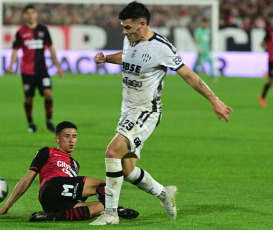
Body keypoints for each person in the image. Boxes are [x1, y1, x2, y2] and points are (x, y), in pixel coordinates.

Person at [90, 1, 233, 225]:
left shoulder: (161, 47)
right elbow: (128, 56)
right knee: (126, 170)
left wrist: (214, 100)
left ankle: (110, 213)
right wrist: (107, 58)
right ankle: (164, 194)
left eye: (128, 28)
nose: (124, 31)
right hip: (127, 110)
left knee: (112, 153)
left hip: (146, 111)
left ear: (143, 24)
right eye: (123, 27)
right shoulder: (131, 39)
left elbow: (188, 75)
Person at [0, 121, 139, 222]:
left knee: (98, 207)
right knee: (101, 184)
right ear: (57, 139)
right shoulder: (47, 151)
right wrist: (5, 207)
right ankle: (116, 209)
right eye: (66, 136)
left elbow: (74, 191)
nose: (71, 140)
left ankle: (50, 217)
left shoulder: (75, 164)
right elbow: (28, 178)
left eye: (74, 136)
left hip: (54, 204)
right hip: (50, 187)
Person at [7, 4, 64, 133]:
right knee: (29, 98)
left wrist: (58, 67)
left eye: (33, 12)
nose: (31, 15)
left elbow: (51, 49)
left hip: (42, 70)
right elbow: (15, 50)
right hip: (27, 71)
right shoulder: (21, 32)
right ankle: (31, 124)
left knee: (48, 94)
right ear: (24, 15)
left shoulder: (43, 30)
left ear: (36, 15)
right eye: (28, 13)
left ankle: (49, 121)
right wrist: (11, 64)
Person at [258, 17, 273, 108]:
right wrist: (266, 49)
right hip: (271, 60)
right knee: (271, 81)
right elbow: (262, 43)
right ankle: (262, 97)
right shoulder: (269, 32)